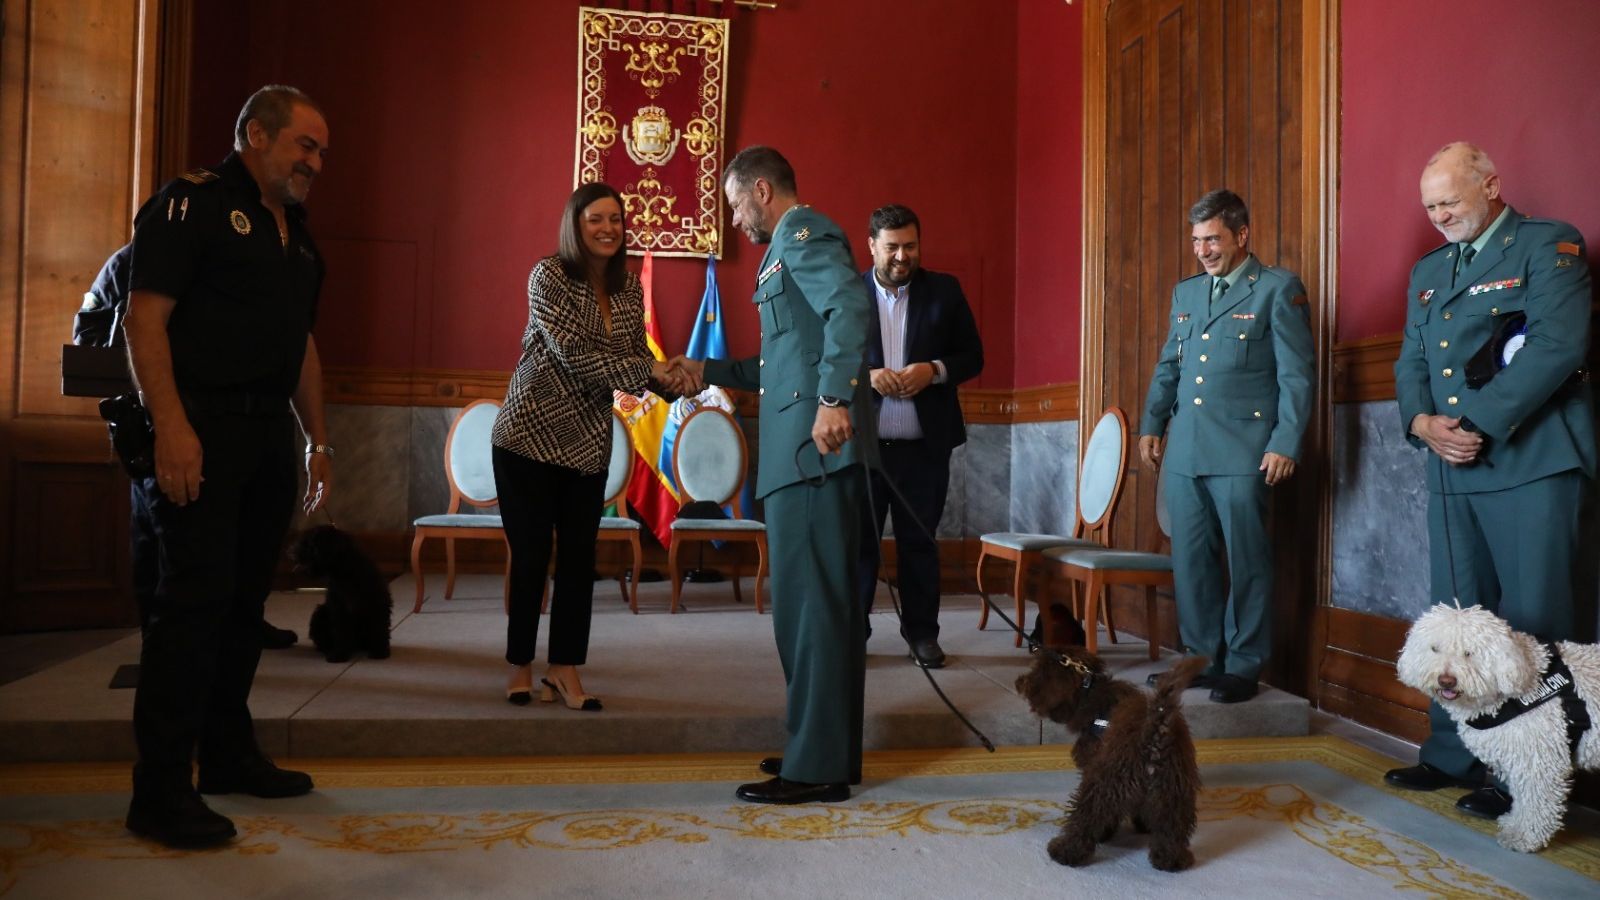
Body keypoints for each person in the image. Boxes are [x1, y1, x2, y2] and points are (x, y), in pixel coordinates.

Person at [122, 85, 333, 848]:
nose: (315, 162)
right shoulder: (192, 205)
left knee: (245, 609)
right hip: (198, 430)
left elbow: (302, 346)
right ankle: (160, 789)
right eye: (304, 145)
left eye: (321, 152)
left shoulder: (300, 238)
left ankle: (228, 754)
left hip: (266, 440)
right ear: (255, 133)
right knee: (191, 609)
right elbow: (144, 318)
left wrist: (317, 441)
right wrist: (171, 427)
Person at [1384, 142, 1594, 820]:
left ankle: (1530, 773)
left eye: (1450, 200)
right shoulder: (1429, 270)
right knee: (1455, 618)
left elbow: (1558, 345)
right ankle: (1452, 753)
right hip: (1450, 464)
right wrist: (1421, 423)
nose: (1440, 214)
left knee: (1533, 621)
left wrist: (1472, 421)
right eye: (1430, 205)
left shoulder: (1547, 245)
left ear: (1492, 185)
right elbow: (1411, 357)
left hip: (1530, 461)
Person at [672, 146, 874, 804]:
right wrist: (709, 372)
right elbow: (782, 364)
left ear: (762, 190)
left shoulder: (802, 233)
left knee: (812, 610)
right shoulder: (781, 250)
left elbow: (850, 306)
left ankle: (816, 766)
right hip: (797, 457)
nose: (735, 219)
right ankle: (817, 746)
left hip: (813, 456)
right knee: (805, 610)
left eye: (735, 204)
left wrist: (835, 400)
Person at [491, 182, 690, 713]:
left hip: (586, 445)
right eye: (596, 219)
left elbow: (627, 358)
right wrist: (651, 369)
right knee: (531, 557)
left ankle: (563, 669)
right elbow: (573, 353)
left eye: (616, 220)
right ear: (575, 226)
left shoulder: (629, 289)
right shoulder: (548, 275)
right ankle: (519, 665)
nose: (608, 229)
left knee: (579, 561)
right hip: (527, 437)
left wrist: (679, 379)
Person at [1136, 189, 1314, 705]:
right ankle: (1201, 659)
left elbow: (1297, 376)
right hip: (1187, 450)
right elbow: (1170, 364)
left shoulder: (1276, 289)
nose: (1204, 250)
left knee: (1248, 560)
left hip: (1245, 450)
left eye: (1212, 238)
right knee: (1191, 561)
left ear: (1241, 235)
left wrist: (1286, 442)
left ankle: (1243, 665)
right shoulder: (1187, 293)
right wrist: (1152, 425)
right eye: (1196, 240)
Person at [79, 243, 300, 650]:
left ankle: (241, 623)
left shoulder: (222, 264)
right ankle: (158, 638)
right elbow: (87, 334)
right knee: (157, 540)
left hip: (217, 420)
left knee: (239, 540)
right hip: (148, 419)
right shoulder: (128, 263)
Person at [855, 204, 984, 668]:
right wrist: (865, 377)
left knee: (920, 545)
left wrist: (933, 370)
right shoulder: (848, 293)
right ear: (871, 245)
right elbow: (821, 360)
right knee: (860, 548)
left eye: (910, 246)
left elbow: (973, 356)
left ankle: (923, 636)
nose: (901, 256)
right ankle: (854, 635)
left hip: (924, 451)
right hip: (863, 450)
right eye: (891, 247)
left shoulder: (944, 291)